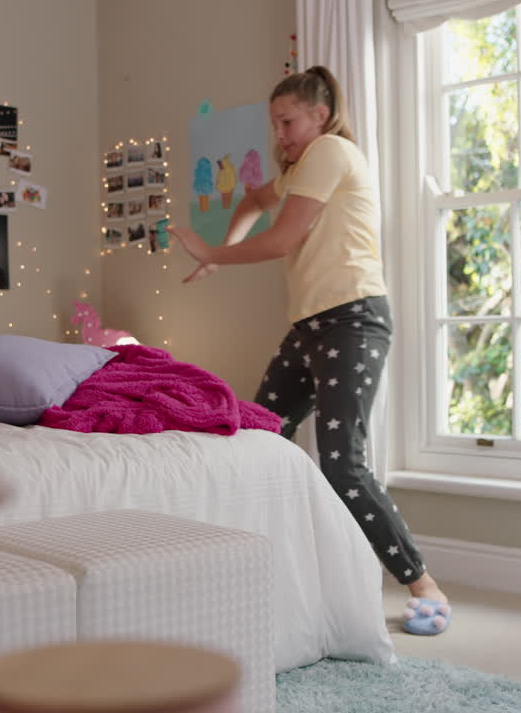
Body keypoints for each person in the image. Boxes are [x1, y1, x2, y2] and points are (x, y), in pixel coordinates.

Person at [169, 65, 451, 635]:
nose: (281, 134)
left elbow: (282, 238)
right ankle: (263, 569)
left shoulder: (329, 150)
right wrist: (222, 246)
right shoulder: (301, 166)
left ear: (320, 115)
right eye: (275, 124)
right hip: (310, 328)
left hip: (353, 319)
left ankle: (422, 583)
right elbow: (252, 199)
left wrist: (213, 253)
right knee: (258, 437)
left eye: (288, 120)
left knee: (342, 463)